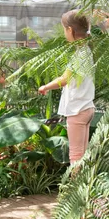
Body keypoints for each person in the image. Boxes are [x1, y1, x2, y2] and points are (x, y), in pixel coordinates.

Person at [39, 11, 95, 164]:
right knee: (83, 155)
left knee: (76, 157)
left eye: (64, 29)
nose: (64, 33)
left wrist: (45, 87)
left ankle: (74, 187)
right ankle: (83, 187)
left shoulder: (80, 54)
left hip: (78, 109)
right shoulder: (86, 51)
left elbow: (64, 79)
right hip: (87, 108)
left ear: (70, 30)